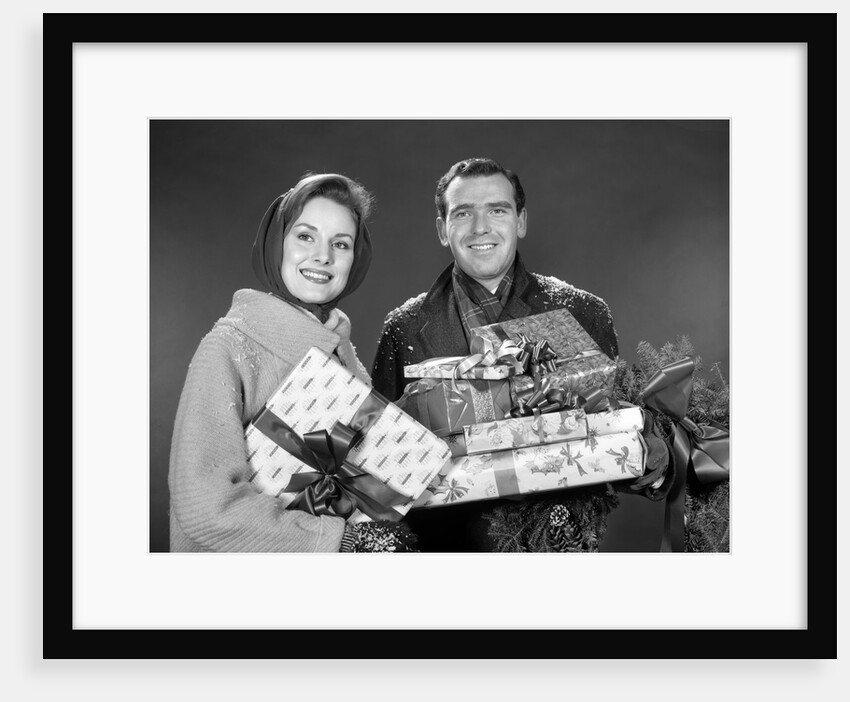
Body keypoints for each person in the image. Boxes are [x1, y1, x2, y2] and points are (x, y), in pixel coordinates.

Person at [371, 157, 668, 551]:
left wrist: (649, 450)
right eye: (463, 213)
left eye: (497, 210)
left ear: (521, 221)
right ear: (443, 230)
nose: (481, 227)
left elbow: (606, 447)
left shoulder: (583, 313)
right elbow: (380, 461)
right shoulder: (404, 327)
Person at [169, 172, 378, 552]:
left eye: (341, 244)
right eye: (305, 236)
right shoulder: (227, 347)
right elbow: (205, 508)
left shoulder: (343, 352)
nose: (323, 255)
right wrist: (341, 540)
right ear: (275, 243)